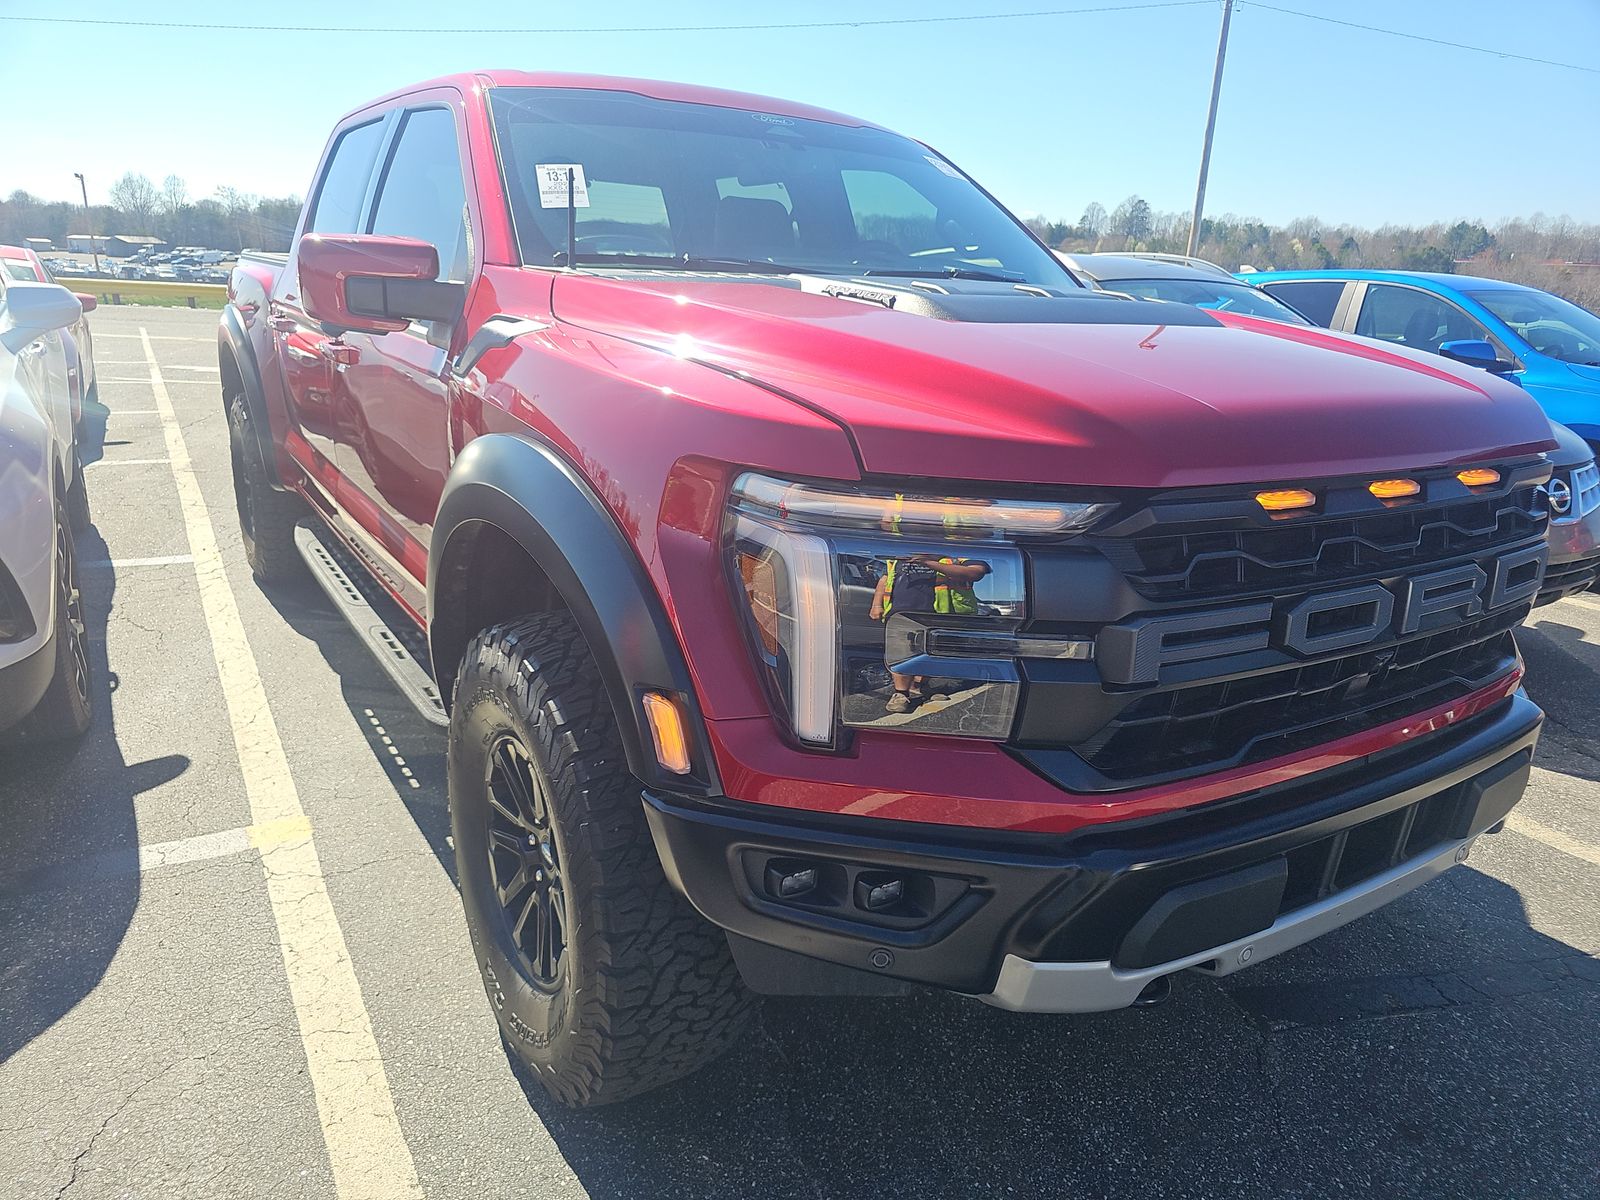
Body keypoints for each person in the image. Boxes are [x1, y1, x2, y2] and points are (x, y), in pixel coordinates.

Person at [869, 552, 990, 713]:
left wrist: (929, 563)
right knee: (901, 653)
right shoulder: (898, 557)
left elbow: (976, 572)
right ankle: (901, 694)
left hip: (939, 614)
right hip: (901, 614)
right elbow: (884, 580)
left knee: (933, 653)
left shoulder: (957, 555)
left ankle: (924, 687)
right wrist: (876, 605)